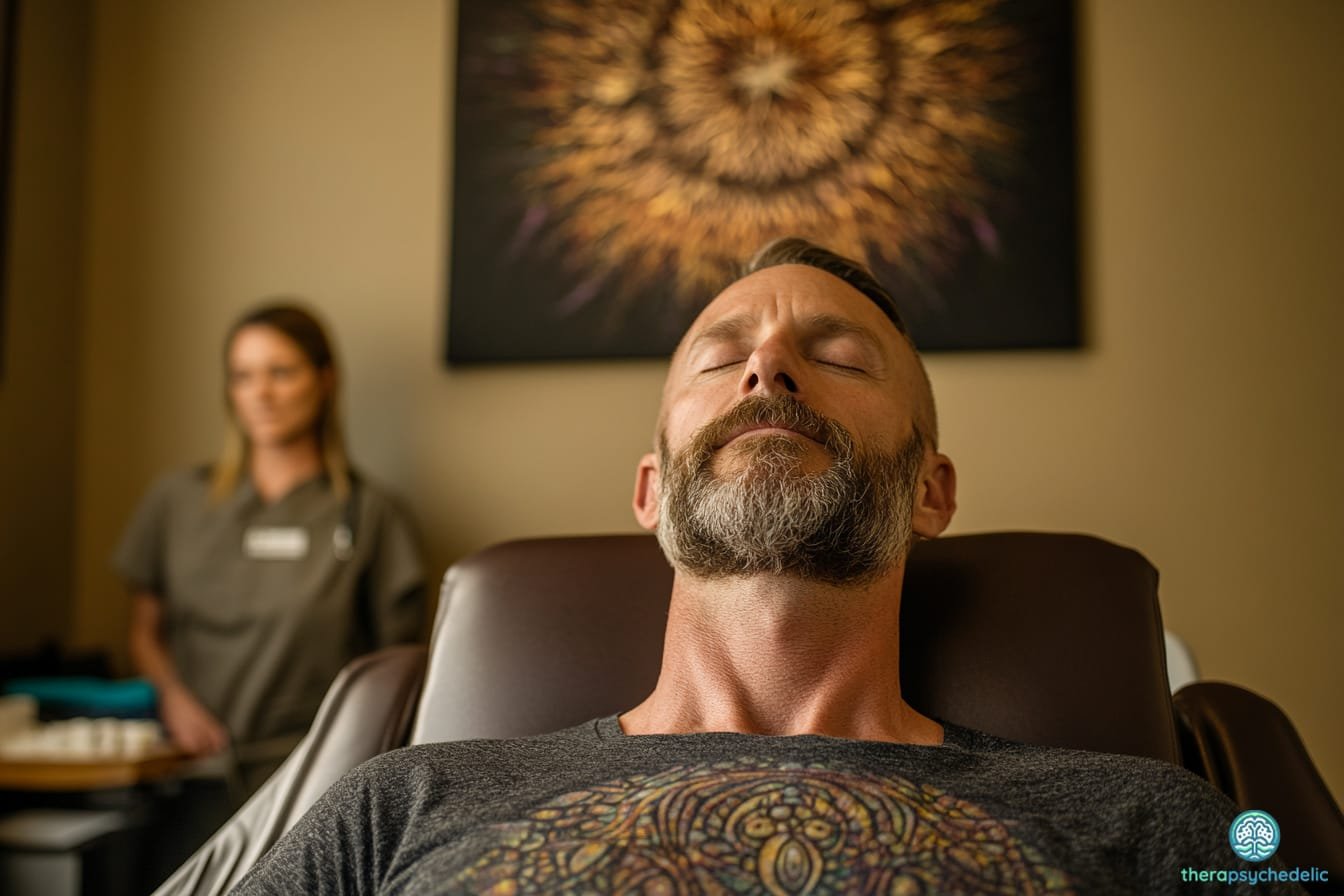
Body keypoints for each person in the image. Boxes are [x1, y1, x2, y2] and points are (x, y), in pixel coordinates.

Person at [230, 244, 1302, 895]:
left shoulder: (1156, 822)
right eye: (720, 355)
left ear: (931, 492)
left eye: (837, 355)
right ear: (651, 492)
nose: (768, 365)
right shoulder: (400, 804)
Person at [114, 303, 426, 859]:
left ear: (325, 380)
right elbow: (144, 632)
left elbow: (396, 671)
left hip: (312, 784)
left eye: (281, 372)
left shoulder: (370, 514)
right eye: (243, 376)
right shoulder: (177, 501)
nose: (261, 393)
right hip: (190, 776)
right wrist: (173, 699)